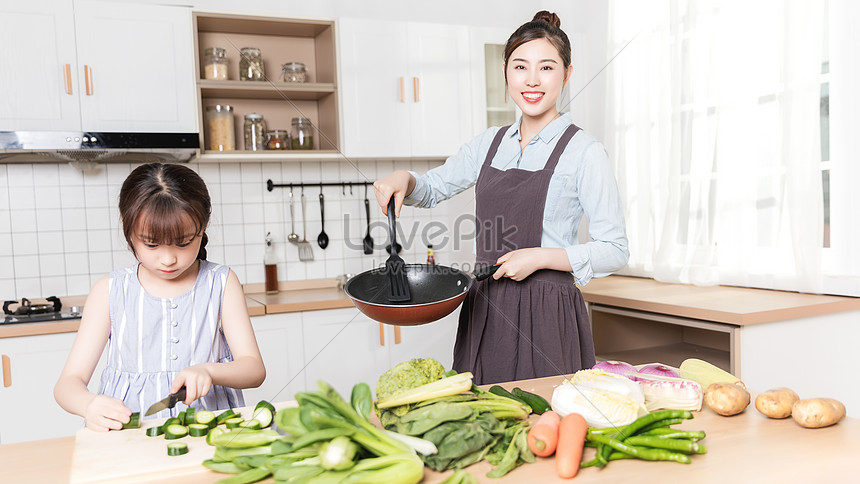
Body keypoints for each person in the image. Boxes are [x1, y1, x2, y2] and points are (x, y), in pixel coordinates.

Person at [373, 11, 629, 385]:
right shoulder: (489, 144)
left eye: (546, 68)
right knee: (484, 424)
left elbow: (615, 249)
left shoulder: (584, 152)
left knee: (546, 425)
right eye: (520, 66)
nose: (532, 80)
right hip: (486, 309)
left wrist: (541, 258)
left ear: (567, 74)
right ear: (506, 71)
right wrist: (405, 179)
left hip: (547, 314)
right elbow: (432, 188)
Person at [54, 163, 266, 431]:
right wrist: (88, 405)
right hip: (126, 435)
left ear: (204, 225)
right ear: (126, 226)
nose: (169, 259)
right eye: (151, 244)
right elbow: (67, 384)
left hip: (209, 431)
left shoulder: (222, 283)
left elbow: (254, 369)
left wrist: (209, 371)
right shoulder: (110, 290)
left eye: (184, 242)